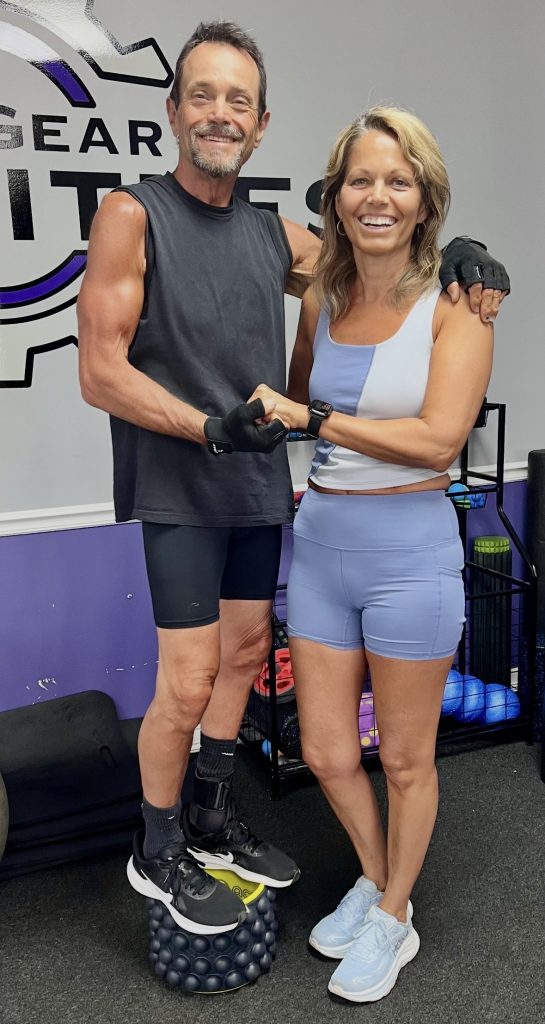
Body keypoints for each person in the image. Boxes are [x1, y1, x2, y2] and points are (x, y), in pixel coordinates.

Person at [77, 18, 508, 937]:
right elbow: (100, 372)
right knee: (189, 681)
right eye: (202, 95)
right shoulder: (130, 213)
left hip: (258, 488)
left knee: (241, 660)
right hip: (182, 482)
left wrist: (462, 253)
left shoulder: (273, 234)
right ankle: (158, 844)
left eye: (238, 100)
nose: (219, 113)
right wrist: (209, 427)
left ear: (261, 123)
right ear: (173, 110)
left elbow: (375, 259)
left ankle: (212, 815)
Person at [250, 106, 494, 1001]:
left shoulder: (460, 305)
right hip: (321, 544)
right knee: (323, 750)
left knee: (403, 759)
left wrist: (312, 419)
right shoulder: (320, 296)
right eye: (360, 179)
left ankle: (394, 916)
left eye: (398, 180)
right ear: (335, 195)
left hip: (408, 553)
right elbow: (295, 402)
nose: (377, 196)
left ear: (425, 199)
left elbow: (437, 442)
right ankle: (377, 877)